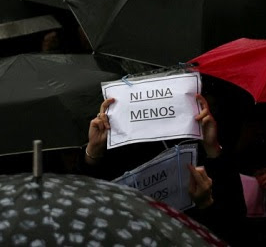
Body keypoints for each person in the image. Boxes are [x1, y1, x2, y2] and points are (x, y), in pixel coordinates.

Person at [82, 92, 246, 245]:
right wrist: (93, 153)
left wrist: (212, 149)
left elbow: (234, 225)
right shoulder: (114, 149)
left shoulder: (195, 142)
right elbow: (85, 210)